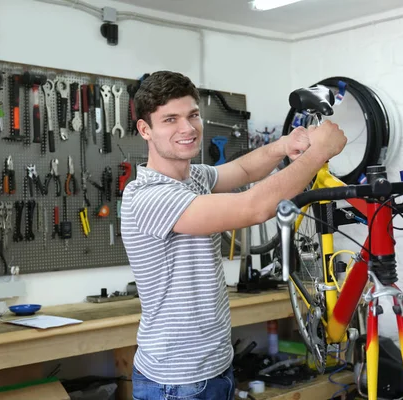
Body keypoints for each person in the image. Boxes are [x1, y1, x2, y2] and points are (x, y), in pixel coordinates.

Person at [121, 70, 347, 400]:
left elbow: (242, 170)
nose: (187, 128)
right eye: (170, 119)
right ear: (145, 129)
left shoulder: (192, 177)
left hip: (216, 367)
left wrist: (284, 145)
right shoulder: (148, 196)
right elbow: (253, 208)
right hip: (176, 382)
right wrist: (318, 153)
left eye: (193, 115)